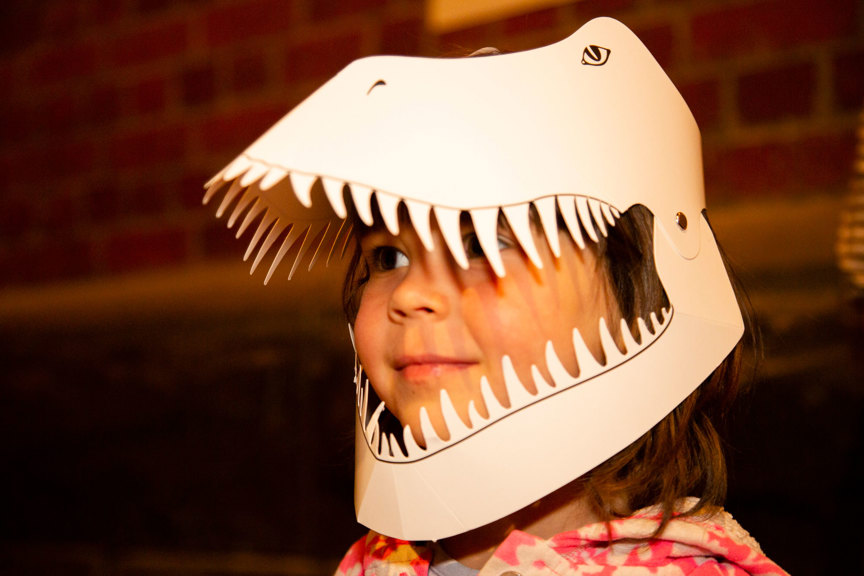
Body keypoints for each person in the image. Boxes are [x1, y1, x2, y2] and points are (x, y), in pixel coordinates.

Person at [203, 17, 788, 575]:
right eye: (388, 258)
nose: (410, 294)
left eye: (482, 244)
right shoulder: (372, 563)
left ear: (639, 290)